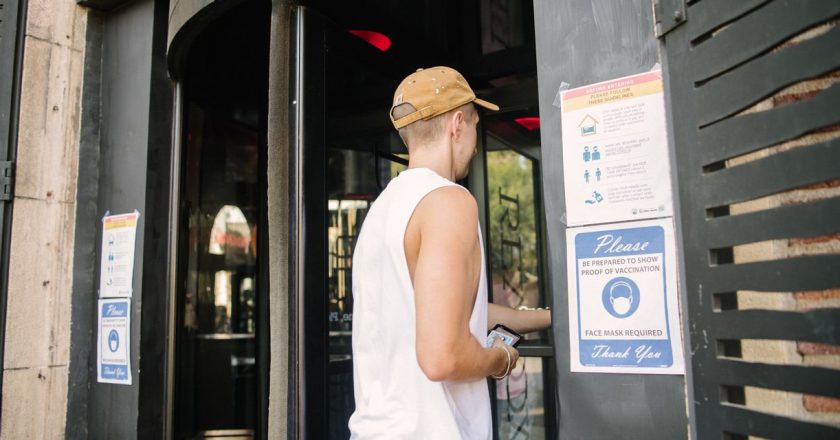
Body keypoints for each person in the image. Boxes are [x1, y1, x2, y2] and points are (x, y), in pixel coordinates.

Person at [348, 66, 551, 439]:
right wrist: (501, 359)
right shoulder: (449, 202)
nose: (474, 145)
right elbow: (442, 358)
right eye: (475, 127)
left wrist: (547, 318)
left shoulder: (383, 210)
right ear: (457, 124)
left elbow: (444, 308)